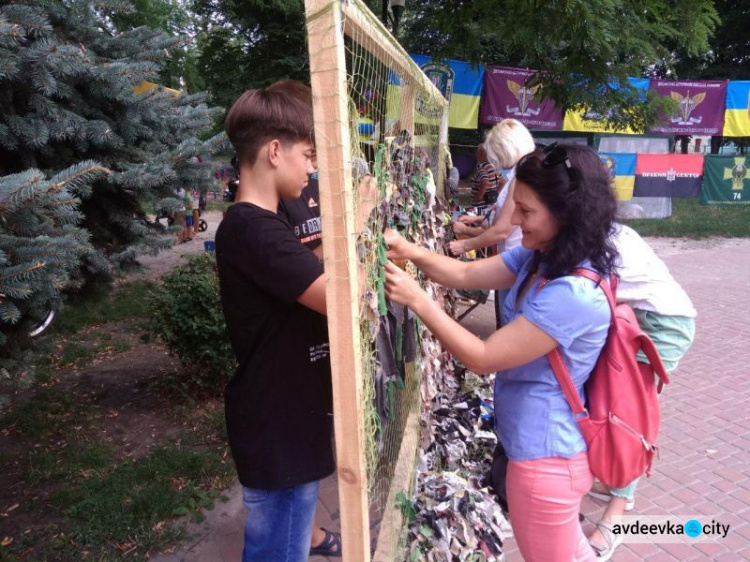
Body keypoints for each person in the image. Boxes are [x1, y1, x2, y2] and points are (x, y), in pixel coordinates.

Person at [383, 144, 619, 561]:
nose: (512, 220)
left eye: (525, 211)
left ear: (566, 214)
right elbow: (465, 272)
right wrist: (412, 251)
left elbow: (483, 356)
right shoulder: (541, 258)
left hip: (545, 461)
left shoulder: (574, 293)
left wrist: (419, 302)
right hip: (531, 450)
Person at [216, 83, 334, 562]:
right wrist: (363, 221)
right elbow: (338, 298)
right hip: (277, 423)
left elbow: (305, 267)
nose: (311, 167)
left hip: (286, 417)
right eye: (307, 155)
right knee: (280, 551)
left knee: (285, 541)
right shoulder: (253, 229)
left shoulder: (263, 226)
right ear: (274, 151)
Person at [586, 223, 696, 560]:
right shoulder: (602, 228)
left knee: (628, 421)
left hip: (662, 325)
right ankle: (613, 482)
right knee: (612, 410)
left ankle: (614, 518)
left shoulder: (593, 238)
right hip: (640, 319)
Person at [449, 119, 536, 327]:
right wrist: (478, 219)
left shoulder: (522, 177)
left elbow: (502, 230)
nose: (494, 160)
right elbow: (504, 214)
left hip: (515, 262)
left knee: (509, 321)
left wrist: (463, 244)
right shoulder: (519, 173)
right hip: (513, 260)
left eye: (496, 153)